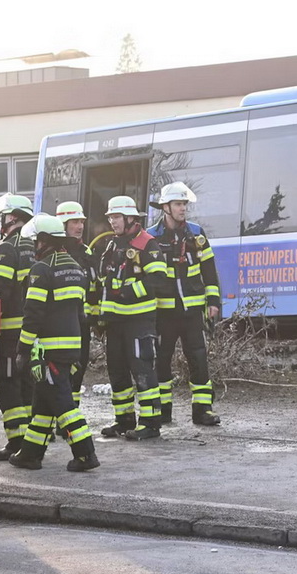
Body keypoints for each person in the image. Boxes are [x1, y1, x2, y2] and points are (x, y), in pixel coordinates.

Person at [7, 215, 99, 472]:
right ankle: (30, 454)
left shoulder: (42, 269)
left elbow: (32, 315)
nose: (34, 246)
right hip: (72, 346)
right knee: (43, 404)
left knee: (62, 403)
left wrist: (22, 350)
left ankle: (85, 454)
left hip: (49, 349)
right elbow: (79, 312)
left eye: (36, 241)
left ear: (45, 241)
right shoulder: (74, 266)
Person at [147, 182, 222, 426]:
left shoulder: (196, 234)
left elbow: (209, 271)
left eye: (184, 204)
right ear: (165, 207)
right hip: (163, 313)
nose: (183, 209)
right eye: (178, 204)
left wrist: (213, 301)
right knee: (161, 361)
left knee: (198, 359)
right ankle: (163, 410)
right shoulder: (151, 237)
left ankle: (203, 410)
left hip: (191, 312)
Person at [94, 196, 167, 440]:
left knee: (142, 368)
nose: (112, 222)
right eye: (111, 218)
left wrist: (128, 292)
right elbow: (106, 281)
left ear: (130, 219)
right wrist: (101, 316)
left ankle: (150, 423)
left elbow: (158, 279)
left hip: (139, 321)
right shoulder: (113, 245)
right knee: (117, 371)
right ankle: (124, 420)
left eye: (116, 217)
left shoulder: (148, 244)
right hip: (115, 322)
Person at [0, 194, 37, 461]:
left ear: (14, 217)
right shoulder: (36, 245)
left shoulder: (8, 248)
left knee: (6, 382)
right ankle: (31, 439)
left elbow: (1, 291)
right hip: (33, 330)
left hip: (9, 331)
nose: (2, 222)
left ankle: (16, 440)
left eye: (4, 216)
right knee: (28, 382)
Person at [56, 200, 95, 411]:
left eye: (81, 222)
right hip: (59, 324)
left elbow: (95, 287)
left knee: (79, 367)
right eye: (74, 222)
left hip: (82, 324)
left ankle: (72, 414)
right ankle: (61, 413)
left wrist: (96, 318)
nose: (80, 226)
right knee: (61, 369)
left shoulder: (86, 252)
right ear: (63, 225)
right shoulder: (53, 253)